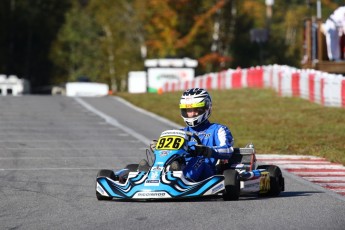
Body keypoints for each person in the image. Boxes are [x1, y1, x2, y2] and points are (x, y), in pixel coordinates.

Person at [177, 88, 234, 182]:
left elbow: (228, 150)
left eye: (195, 109)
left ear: (206, 108)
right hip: (181, 168)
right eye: (188, 110)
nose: (191, 114)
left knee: (198, 160)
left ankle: (183, 182)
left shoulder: (218, 129)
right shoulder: (180, 133)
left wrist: (207, 151)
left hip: (207, 173)